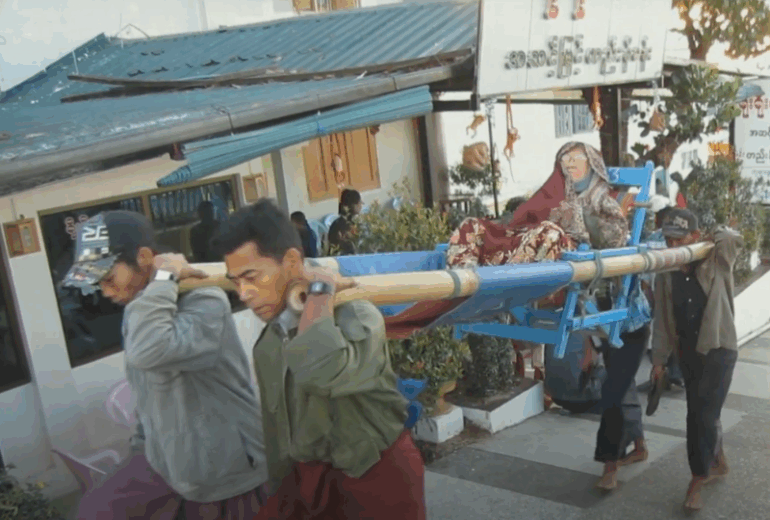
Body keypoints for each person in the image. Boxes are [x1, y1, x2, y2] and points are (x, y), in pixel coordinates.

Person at [212, 199, 425, 520]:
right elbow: (278, 435)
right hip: (309, 485)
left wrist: (321, 288)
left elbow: (321, 369)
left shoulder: (357, 314)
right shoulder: (269, 343)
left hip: (374, 477)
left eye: (252, 277)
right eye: (236, 281)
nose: (243, 293)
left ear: (292, 262)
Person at [63, 211, 269, 520]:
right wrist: (143, 449)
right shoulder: (142, 311)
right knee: (95, 510)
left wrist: (163, 279)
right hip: (171, 467)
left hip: (227, 472)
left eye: (108, 279)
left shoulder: (205, 301)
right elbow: (146, 396)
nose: (106, 292)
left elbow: (150, 349)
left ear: (145, 257)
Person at [648, 208, 743, 513]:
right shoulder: (667, 271)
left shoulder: (717, 260)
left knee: (700, 416)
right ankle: (715, 458)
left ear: (694, 237)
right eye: (668, 240)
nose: (672, 247)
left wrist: (707, 240)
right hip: (688, 353)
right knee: (700, 412)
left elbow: (731, 238)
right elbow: (662, 319)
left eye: (679, 240)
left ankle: (697, 480)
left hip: (719, 350)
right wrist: (659, 360)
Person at [447, 142, 629, 268]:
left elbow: (614, 240)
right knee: (473, 225)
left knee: (549, 233)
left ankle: (501, 283)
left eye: (578, 157)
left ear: (592, 165)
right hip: (525, 240)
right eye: (565, 158)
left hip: (567, 251)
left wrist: (579, 216)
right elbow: (523, 216)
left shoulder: (602, 200)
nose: (570, 162)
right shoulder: (552, 190)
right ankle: (466, 275)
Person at [327, 189, 363, 256]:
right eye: (359, 202)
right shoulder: (347, 226)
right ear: (353, 205)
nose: (361, 205)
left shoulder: (336, 223)